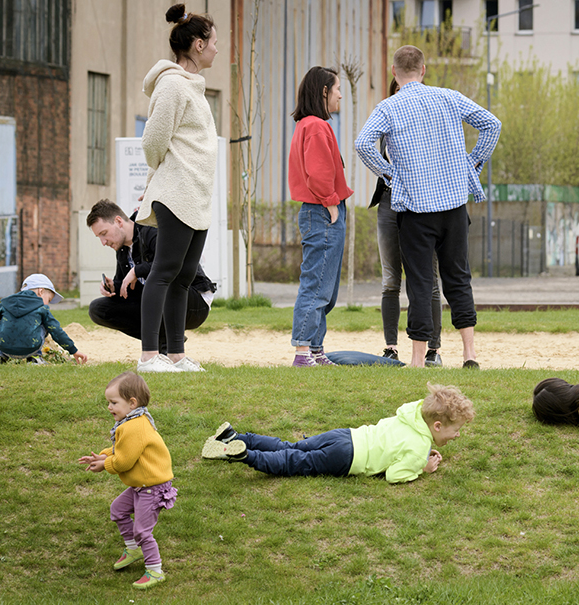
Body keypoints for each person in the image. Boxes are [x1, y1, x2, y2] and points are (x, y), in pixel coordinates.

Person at [355, 45, 501, 369]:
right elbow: (492, 124)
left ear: (394, 72)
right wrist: (472, 163)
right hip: (453, 205)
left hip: (415, 210)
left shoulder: (388, 107)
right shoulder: (449, 97)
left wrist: (390, 174)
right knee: (458, 278)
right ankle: (470, 354)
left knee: (420, 283)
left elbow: (362, 143)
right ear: (423, 70)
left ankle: (418, 359)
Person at [135, 4, 219, 373]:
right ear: (198, 44)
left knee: (184, 277)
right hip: (176, 192)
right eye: (213, 42)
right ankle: (149, 356)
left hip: (195, 195)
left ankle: (176, 355)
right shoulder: (172, 85)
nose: (216, 48)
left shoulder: (194, 88)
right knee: (165, 271)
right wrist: (162, 174)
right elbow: (153, 141)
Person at [201, 383, 475, 484]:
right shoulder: (417, 450)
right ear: (437, 426)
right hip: (348, 457)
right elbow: (394, 475)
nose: (457, 436)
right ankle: (245, 455)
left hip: (345, 436)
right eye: (456, 430)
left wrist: (423, 449)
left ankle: (235, 436)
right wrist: (421, 468)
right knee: (292, 462)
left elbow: (401, 442)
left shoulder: (412, 413)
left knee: (290, 446)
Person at [78, 372, 177, 589]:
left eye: (114, 403)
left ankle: (155, 570)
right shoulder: (132, 420)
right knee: (118, 510)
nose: (109, 407)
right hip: (141, 486)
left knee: (142, 530)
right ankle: (134, 549)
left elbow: (123, 461)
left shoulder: (134, 426)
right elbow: (121, 449)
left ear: (132, 403)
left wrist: (105, 464)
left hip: (151, 488)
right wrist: (103, 456)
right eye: (108, 402)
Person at [369, 79, 443, 366]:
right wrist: (389, 174)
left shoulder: (429, 127)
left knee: (426, 280)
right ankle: (390, 347)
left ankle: (433, 350)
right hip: (389, 203)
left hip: (422, 204)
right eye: (398, 92)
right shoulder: (385, 124)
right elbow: (368, 150)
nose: (404, 97)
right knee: (390, 280)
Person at [86, 199, 217, 355]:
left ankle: (166, 349)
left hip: (193, 299)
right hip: (159, 300)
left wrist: (137, 271)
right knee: (98, 309)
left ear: (119, 221)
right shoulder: (122, 250)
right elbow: (129, 289)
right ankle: (166, 339)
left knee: (161, 287)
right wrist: (114, 286)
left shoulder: (150, 229)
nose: (103, 242)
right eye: (99, 237)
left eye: (104, 234)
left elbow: (171, 264)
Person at [287, 66, 354, 368]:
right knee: (316, 284)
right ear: (324, 91)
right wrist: (330, 203)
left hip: (319, 210)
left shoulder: (309, 125)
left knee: (326, 287)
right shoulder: (315, 126)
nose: (340, 95)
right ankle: (303, 352)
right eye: (337, 88)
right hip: (321, 210)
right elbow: (318, 172)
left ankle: (315, 349)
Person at [0, 274, 87, 365]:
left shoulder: (6, 303)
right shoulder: (42, 308)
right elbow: (56, 330)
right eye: (49, 299)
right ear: (41, 291)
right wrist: (73, 350)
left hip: (5, 348)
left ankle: (0, 356)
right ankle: (35, 357)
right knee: (46, 325)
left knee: (2, 323)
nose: (48, 304)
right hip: (30, 348)